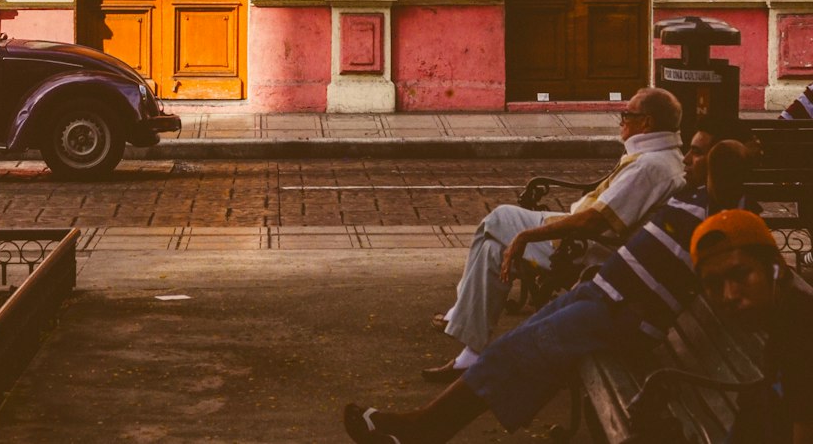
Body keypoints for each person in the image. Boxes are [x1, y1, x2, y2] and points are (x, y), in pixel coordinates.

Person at [342, 126, 746, 444]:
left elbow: (730, 172)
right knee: (512, 350)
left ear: (719, 165)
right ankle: (421, 429)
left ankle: (420, 430)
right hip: (601, 294)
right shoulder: (689, 195)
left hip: (620, 315)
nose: (687, 157)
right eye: (689, 148)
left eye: (698, 152)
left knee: (514, 354)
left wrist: (729, 156)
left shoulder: (722, 213)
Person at [429, 86, 685, 377]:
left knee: (498, 218)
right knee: (494, 250)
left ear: (647, 122)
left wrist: (525, 236)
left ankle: (460, 312)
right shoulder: (660, 156)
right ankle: (471, 354)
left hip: (585, 247)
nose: (622, 120)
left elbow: (594, 222)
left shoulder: (650, 166)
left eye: (627, 114)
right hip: (586, 236)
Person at [691, 208, 813, 444]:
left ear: (775, 268)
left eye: (741, 274)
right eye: (714, 284)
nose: (729, 295)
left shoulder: (801, 336)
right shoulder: (786, 320)